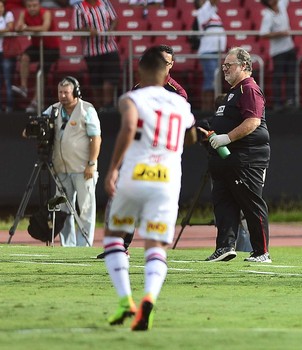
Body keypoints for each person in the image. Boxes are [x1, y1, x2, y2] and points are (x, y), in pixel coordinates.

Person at [102, 46, 196, 331]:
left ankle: (124, 300)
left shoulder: (132, 97)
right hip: (167, 180)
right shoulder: (180, 103)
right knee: (156, 245)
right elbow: (190, 137)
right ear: (166, 71)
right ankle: (149, 298)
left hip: (136, 174)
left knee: (114, 235)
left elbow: (129, 127)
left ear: (141, 70)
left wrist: (113, 168)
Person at [96, 44, 189, 260]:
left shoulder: (178, 93)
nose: (163, 66)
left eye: (167, 62)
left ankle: (147, 249)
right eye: (161, 62)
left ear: (172, 65)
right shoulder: (139, 88)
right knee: (127, 201)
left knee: (151, 208)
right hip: (140, 153)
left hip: (162, 157)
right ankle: (122, 245)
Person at [198, 47, 271, 263]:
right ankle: (225, 247)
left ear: (245, 66)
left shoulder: (248, 89)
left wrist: (226, 138)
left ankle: (261, 251)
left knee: (250, 203)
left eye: (229, 65)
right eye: (223, 65)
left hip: (246, 156)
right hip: (227, 158)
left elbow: (253, 121)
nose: (224, 69)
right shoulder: (233, 91)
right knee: (224, 202)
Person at [44, 76, 101, 247]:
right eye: (60, 92)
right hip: (61, 168)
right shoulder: (54, 109)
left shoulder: (87, 109)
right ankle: (67, 245)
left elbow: (96, 138)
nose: (62, 96)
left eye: (66, 92)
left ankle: (84, 245)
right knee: (62, 210)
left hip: (83, 168)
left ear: (75, 92)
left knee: (85, 209)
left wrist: (91, 163)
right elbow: (39, 123)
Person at [12, 0, 61, 113]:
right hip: (37, 46)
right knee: (25, 57)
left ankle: (35, 101)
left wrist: (26, 28)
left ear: (39, 6)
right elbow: (18, 27)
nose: (32, 8)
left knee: (41, 71)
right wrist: (20, 27)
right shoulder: (23, 13)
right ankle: (23, 87)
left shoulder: (46, 13)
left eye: (34, 6)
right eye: (29, 6)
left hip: (52, 48)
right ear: (26, 7)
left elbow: (44, 28)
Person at [73, 0, 120, 112]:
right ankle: (99, 108)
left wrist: (111, 29)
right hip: (92, 51)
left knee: (110, 78)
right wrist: (87, 30)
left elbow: (115, 19)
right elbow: (77, 28)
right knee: (96, 81)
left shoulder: (105, 3)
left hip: (109, 47)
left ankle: (108, 105)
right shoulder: (79, 8)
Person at [259, 0, 297, 111]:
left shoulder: (281, 4)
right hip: (278, 51)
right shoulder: (267, 15)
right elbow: (263, 33)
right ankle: (278, 102)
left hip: (290, 47)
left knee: (291, 76)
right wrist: (280, 33)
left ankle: (291, 101)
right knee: (278, 77)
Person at [195, 0, 226, 113]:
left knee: (214, 80)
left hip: (216, 52)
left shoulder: (214, 14)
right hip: (208, 51)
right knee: (211, 80)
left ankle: (212, 108)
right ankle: (207, 109)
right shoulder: (202, 12)